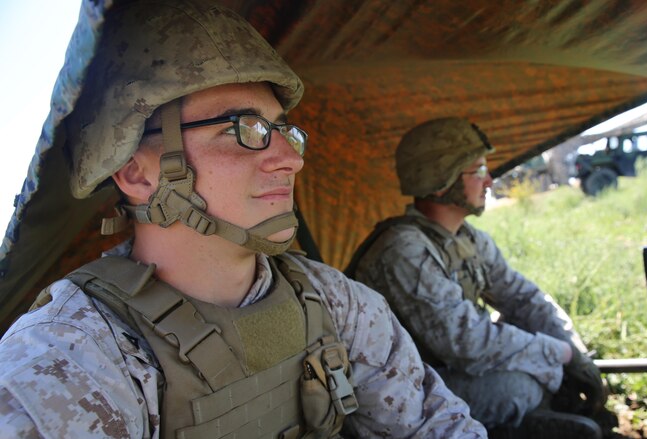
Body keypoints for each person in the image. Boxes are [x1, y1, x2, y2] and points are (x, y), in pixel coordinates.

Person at [0, 3, 487, 438]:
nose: (289, 159)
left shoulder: (333, 301)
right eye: (245, 129)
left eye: (283, 131)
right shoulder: (70, 360)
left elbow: (435, 424)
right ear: (136, 173)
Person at [347, 117, 613, 438]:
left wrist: (574, 351)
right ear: (441, 180)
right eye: (478, 171)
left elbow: (523, 296)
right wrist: (557, 355)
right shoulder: (402, 250)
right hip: (397, 390)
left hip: (441, 370)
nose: (489, 182)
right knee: (522, 386)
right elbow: (466, 342)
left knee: (538, 362)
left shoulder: (467, 239)